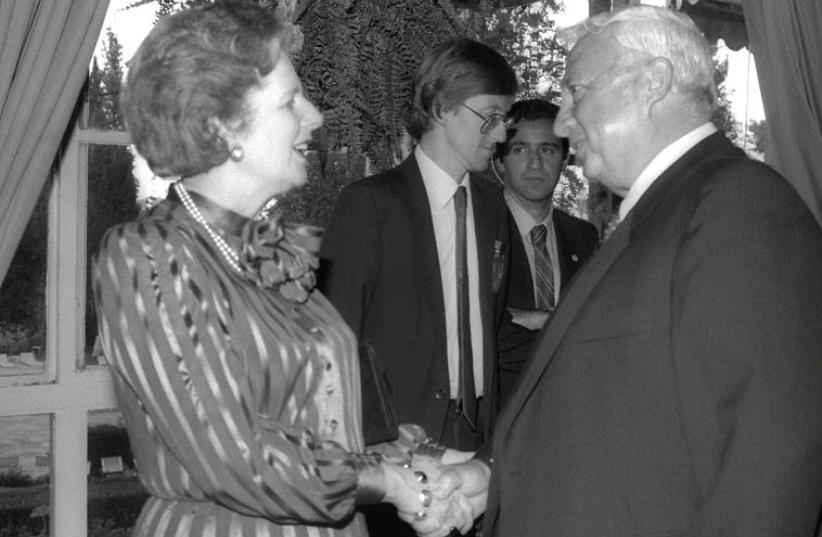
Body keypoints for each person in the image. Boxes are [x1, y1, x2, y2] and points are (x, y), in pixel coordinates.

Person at [436, 6, 822, 536]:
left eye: (577, 92)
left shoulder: (742, 209)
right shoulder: (664, 212)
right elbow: (619, 409)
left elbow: (767, 462)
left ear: (652, 82)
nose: (565, 122)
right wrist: (492, 473)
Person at [91, 4, 474, 537]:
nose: (315, 116)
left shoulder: (272, 252)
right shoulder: (148, 253)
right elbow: (231, 454)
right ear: (221, 126)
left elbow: (327, 423)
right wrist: (392, 482)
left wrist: (425, 462)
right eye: (292, 101)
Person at [319, 37, 515, 537]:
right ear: (443, 106)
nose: (502, 133)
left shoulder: (495, 207)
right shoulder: (369, 204)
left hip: (477, 446)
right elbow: (335, 341)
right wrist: (379, 444)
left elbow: (492, 328)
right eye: (490, 116)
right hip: (399, 453)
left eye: (506, 118)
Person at [491, 99, 598, 403]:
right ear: (499, 161)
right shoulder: (480, 229)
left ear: (564, 160)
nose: (535, 164)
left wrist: (534, 320)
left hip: (571, 408)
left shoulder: (584, 236)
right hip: (495, 416)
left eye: (548, 150)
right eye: (520, 150)